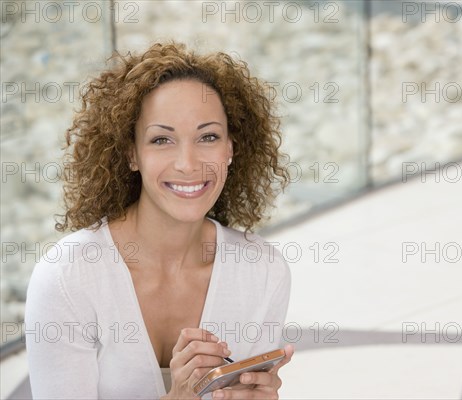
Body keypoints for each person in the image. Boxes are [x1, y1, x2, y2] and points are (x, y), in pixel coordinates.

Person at [24, 42, 293, 399]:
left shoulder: (262, 270)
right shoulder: (67, 278)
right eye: (162, 139)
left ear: (231, 148)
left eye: (208, 136)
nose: (187, 163)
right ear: (131, 153)